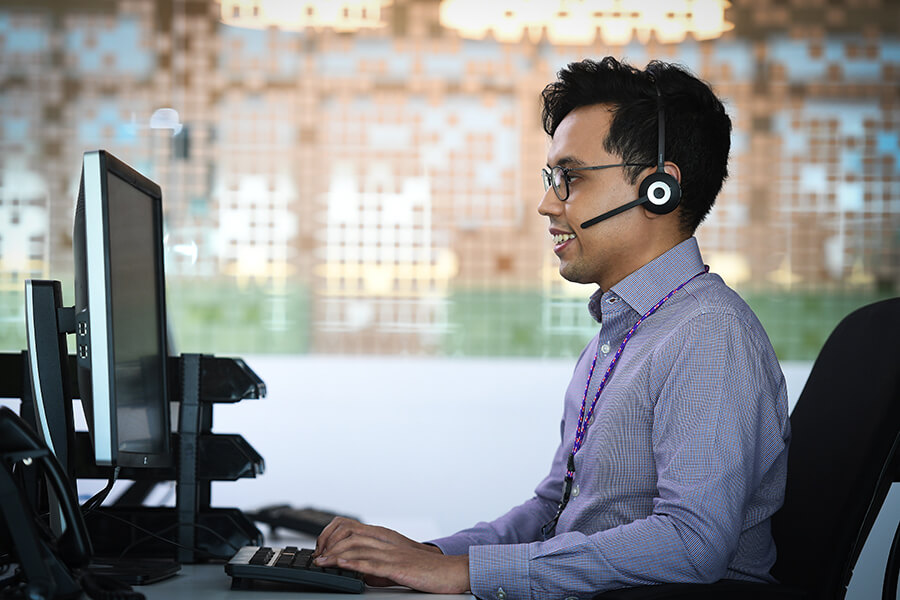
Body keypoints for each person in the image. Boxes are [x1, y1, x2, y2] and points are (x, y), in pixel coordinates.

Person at [312, 57, 791, 599]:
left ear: (659, 187)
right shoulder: (624, 334)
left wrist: (468, 575)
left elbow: (691, 543)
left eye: (571, 178)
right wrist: (426, 557)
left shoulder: (708, 336)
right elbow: (553, 512)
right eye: (550, 179)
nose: (546, 204)